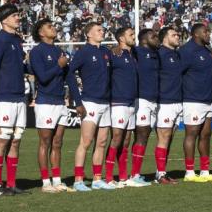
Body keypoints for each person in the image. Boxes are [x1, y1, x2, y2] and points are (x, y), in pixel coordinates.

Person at [68, 21, 115, 191]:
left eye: (102, 30)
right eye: (98, 30)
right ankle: (78, 180)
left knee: (102, 141)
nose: (102, 32)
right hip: (90, 102)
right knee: (86, 141)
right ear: (89, 34)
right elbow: (69, 73)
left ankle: (96, 178)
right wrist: (77, 100)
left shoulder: (106, 52)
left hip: (105, 102)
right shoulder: (83, 52)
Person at [29, 19, 73, 193]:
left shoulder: (59, 50)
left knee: (58, 142)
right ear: (41, 32)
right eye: (49, 26)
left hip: (60, 102)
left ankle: (57, 180)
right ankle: (46, 182)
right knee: (45, 142)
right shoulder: (37, 51)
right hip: (45, 102)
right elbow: (42, 77)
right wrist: (58, 65)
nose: (53, 28)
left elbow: (67, 77)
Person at [0, 4, 28, 196]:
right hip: (4, 97)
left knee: (16, 141)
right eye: (14, 15)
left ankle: (11, 184)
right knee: (2, 140)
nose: (18, 18)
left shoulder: (17, 40)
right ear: (4, 20)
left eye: (18, 14)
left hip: (19, 96)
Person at [180, 24, 212, 183]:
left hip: (208, 101)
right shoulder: (186, 51)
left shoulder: (206, 51)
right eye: (205, 32)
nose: (208, 34)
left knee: (206, 135)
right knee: (191, 134)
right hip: (193, 100)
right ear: (196, 34)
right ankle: (189, 172)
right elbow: (179, 73)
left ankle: (205, 171)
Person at [107, 27, 148, 187]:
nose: (134, 37)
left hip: (132, 102)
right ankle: (109, 177)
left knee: (126, 141)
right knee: (116, 138)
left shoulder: (134, 55)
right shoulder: (113, 54)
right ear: (121, 38)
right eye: (130, 35)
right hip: (118, 102)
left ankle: (124, 177)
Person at [129, 29, 159, 184]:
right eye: (153, 36)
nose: (157, 38)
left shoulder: (157, 54)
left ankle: (136, 173)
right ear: (144, 39)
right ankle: (133, 175)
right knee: (141, 135)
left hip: (154, 101)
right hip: (141, 100)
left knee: (145, 136)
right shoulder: (137, 51)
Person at [154, 27, 182, 185]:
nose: (177, 36)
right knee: (163, 137)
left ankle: (162, 171)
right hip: (165, 102)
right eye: (174, 35)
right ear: (165, 38)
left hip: (178, 101)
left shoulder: (177, 54)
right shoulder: (160, 54)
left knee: (169, 138)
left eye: (178, 34)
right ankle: (160, 175)